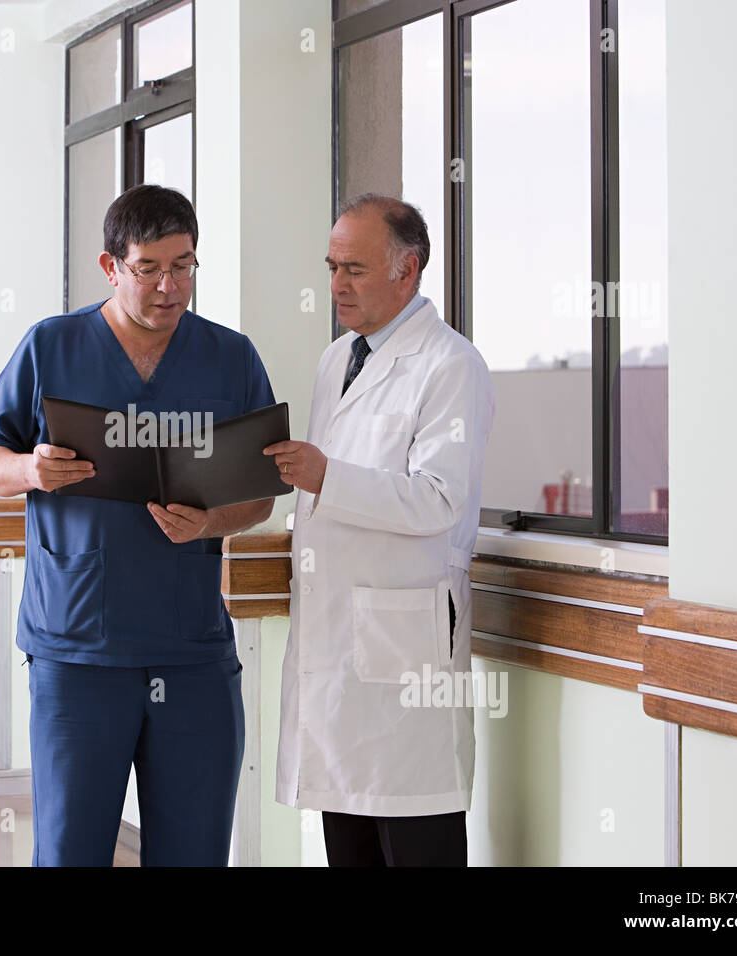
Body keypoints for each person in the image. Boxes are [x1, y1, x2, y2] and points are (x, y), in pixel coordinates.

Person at [0, 184, 277, 866]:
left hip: (190, 653)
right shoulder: (52, 346)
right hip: (77, 653)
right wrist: (30, 471)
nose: (170, 287)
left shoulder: (230, 358)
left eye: (185, 266)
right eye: (149, 269)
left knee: (194, 851)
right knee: (72, 851)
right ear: (111, 268)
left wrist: (207, 524)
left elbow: (260, 497)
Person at [264, 194, 494, 866]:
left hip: (405, 649)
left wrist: (325, 476)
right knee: (351, 840)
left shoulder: (452, 366)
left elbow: (439, 499)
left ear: (408, 269)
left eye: (355, 269)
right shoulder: (338, 360)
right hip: (339, 646)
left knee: (416, 839)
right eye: (332, 267)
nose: (336, 285)